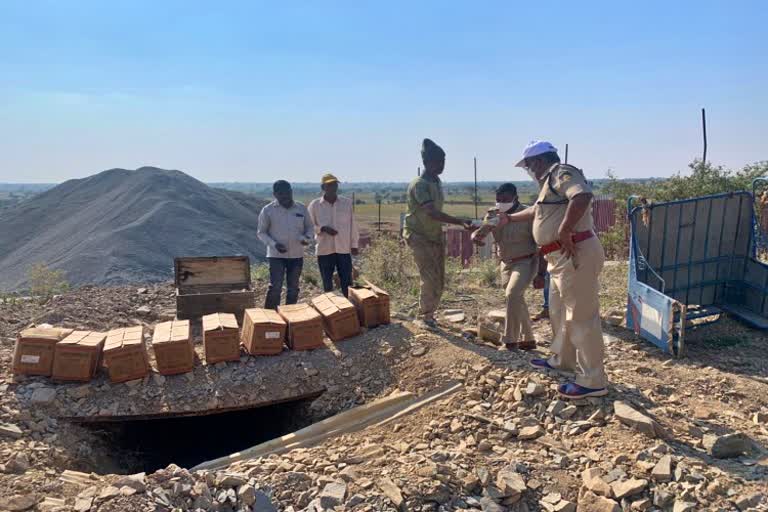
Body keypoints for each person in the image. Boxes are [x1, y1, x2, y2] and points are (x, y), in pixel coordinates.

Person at [499, 141, 608, 399]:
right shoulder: (548, 185)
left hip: (574, 252)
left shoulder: (561, 172)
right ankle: (564, 360)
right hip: (558, 258)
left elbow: (581, 196)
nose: (528, 170)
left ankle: (593, 380)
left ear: (539, 161)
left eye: (528, 165)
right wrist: (510, 218)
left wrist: (565, 229)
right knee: (559, 313)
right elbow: (538, 211)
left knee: (582, 316)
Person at [404, 138, 473, 329]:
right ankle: (424, 316)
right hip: (418, 235)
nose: (441, 166)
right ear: (426, 163)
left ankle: (430, 314)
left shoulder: (436, 181)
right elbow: (432, 212)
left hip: (433, 235)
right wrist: (459, 221)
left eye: (443, 162)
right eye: (437, 162)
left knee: (439, 277)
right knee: (429, 277)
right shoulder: (420, 184)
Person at [472, 183, 542, 350]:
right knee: (516, 298)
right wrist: (476, 237)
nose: (500, 203)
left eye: (504, 199)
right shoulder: (493, 214)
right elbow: (482, 232)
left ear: (515, 198)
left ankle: (510, 341)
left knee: (512, 294)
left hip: (526, 261)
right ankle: (529, 339)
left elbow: (540, 243)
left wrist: (541, 273)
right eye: (498, 199)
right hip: (506, 263)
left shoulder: (528, 213)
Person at [257, 180, 314, 309]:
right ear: (275, 194)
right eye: (281, 194)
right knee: (275, 287)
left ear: (291, 192)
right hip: (276, 255)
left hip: (296, 255)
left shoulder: (301, 208)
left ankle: (290, 317)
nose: (285, 197)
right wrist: (274, 244)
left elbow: (310, 228)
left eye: (288, 193)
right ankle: (270, 319)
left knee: (293, 288)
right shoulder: (268, 210)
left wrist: (307, 238)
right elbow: (261, 233)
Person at [308, 173, 359, 297]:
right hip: (324, 249)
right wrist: (322, 229)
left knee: (347, 281)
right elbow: (308, 227)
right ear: (323, 187)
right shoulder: (314, 205)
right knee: (327, 283)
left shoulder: (346, 203)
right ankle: (331, 310)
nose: (333, 187)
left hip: (343, 249)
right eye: (329, 185)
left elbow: (353, 225)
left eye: (335, 184)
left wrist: (354, 244)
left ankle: (349, 308)